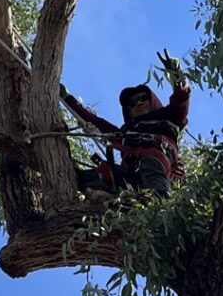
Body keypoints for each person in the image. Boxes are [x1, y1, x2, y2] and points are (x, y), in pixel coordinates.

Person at [61, 51, 190, 198]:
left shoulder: (169, 117)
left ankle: (160, 204)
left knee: (153, 174)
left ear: (152, 101)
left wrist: (178, 76)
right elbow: (97, 123)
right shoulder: (126, 134)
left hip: (157, 164)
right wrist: (68, 99)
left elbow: (181, 99)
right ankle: (109, 199)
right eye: (132, 104)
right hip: (130, 175)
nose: (138, 103)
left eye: (143, 98)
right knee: (88, 176)